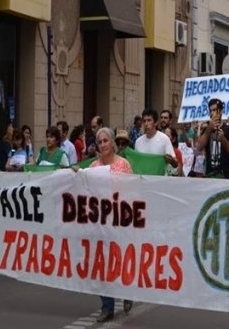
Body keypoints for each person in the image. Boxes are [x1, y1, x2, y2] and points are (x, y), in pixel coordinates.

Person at [88, 127, 133, 322]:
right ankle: (107, 306)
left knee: (121, 260)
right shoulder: (93, 168)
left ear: (113, 143)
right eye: (100, 142)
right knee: (103, 264)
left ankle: (128, 291)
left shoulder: (124, 165)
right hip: (101, 223)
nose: (103, 145)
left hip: (121, 221)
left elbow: (133, 192)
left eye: (106, 141)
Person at [196, 99, 229, 179]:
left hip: (226, 176)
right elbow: (199, 147)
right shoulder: (207, 129)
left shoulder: (228, 129)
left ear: (221, 111)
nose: (212, 113)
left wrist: (223, 140)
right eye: (211, 110)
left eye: (215, 110)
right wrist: (209, 129)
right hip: (210, 175)